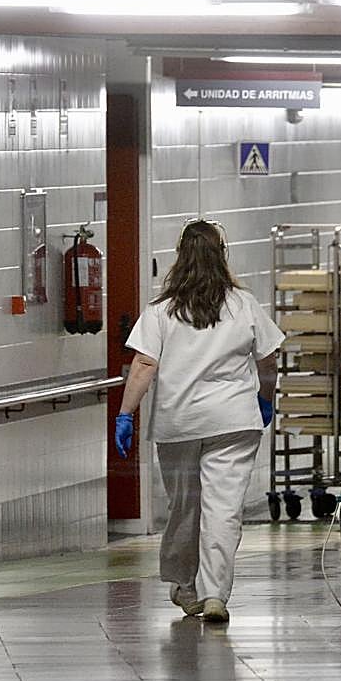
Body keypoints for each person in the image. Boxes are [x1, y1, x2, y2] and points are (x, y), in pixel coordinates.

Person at [114, 219, 283, 623]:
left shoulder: (161, 311)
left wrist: (125, 413)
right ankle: (215, 595)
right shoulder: (243, 304)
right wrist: (264, 398)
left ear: (180, 258)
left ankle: (186, 586)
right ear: (222, 256)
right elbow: (269, 361)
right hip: (234, 421)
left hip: (180, 423)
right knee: (224, 510)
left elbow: (143, 365)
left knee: (184, 507)